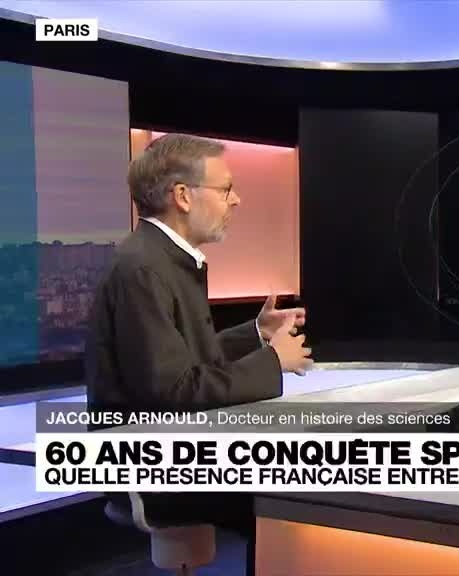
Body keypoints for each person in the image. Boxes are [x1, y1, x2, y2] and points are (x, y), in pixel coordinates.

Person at [85, 133, 313, 534]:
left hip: (175, 450)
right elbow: (173, 392)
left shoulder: (161, 258)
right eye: (226, 189)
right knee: (310, 487)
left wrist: (255, 333)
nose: (236, 200)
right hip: (149, 470)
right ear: (183, 196)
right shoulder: (144, 269)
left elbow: (178, 361)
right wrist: (274, 361)